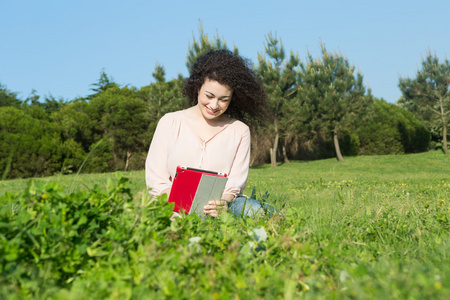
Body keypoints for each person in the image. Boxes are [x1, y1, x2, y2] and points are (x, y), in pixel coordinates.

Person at [145, 49, 274, 218]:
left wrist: (222, 204)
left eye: (223, 99)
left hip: (223, 207)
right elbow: (156, 178)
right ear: (198, 87)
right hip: (173, 207)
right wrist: (181, 205)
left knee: (258, 211)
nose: (214, 105)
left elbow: (235, 182)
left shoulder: (239, 130)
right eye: (209, 96)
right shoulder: (170, 122)